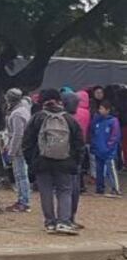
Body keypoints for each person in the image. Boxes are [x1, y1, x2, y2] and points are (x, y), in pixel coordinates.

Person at [22, 89, 85, 235]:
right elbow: (79, 143)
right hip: (65, 161)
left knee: (46, 191)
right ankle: (64, 221)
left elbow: (27, 142)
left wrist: (31, 162)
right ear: (59, 101)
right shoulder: (69, 119)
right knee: (64, 191)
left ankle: (50, 222)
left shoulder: (37, 118)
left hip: (42, 161)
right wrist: (75, 162)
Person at [4, 89, 33, 213]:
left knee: (20, 175)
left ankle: (24, 201)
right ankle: (23, 199)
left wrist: (11, 151)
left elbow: (17, 134)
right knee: (22, 174)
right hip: (24, 146)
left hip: (19, 148)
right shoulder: (25, 108)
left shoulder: (17, 114)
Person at [90, 100, 121, 197]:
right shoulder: (97, 121)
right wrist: (94, 145)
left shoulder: (113, 121)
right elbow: (94, 133)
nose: (100, 110)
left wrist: (109, 147)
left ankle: (115, 189)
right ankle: (99, 188)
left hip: (108, 151)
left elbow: (115, 136)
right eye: (99, 108)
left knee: (111, 170)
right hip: (98, 149)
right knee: (99, 171)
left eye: (102, 109)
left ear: (108, 110)